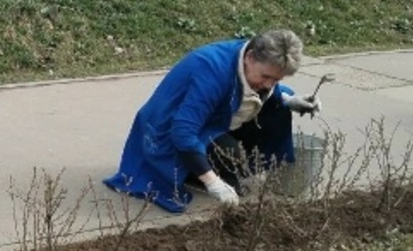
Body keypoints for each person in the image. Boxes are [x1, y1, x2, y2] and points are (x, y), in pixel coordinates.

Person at [103, 29, 321, 213]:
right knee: (231, 155)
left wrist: (288, 99)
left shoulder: (250, 58)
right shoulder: (211, 70)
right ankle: (193, 174)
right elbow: (182, 132)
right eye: (265, 77)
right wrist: (212, 182)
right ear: (250, 57)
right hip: (166, 128)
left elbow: (246, 90)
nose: (268, 84)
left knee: (277, 111)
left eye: (276, 80)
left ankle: (211, 168)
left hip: (211, 118)